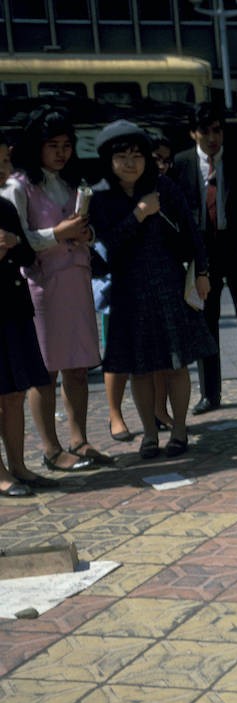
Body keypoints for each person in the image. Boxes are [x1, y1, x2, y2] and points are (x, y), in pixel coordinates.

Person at [89, 120, 217, 460]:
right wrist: (139, 215)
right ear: (108, 160)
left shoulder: (164, 187)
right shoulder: (101, 198)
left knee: (177, 365)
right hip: (128, 293)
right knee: (139, 368)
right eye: (122, 157)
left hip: (168, 286)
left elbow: (192, 232)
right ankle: (149, 433)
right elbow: (103, 250)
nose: (131, 163)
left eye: (137, 155)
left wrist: (202, 271)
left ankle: (179, 429)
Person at [2, 107, 102, 473]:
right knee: (45, 370)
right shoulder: (19, 185)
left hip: (76, 280)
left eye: (67, 145)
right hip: (41, 285)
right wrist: (57, 234)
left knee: (78, 366)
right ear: (35, 147)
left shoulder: (72, 181)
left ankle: (79, 439)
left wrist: (87, 234)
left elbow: (86, 228)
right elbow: (18, 239)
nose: (62, 153)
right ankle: (50, 447)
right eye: (53, 145)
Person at [172, 102, 237, 415]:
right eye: (205, 131)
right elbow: (174, 208)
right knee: (206, 321)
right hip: (202, 252)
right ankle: (210, 393)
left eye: (217, 130)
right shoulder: (183, 163)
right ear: (193, 133)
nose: (213, 138)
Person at [0, 132, 56, 495]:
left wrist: (16, 245)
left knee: (15, 392)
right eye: (1, 161)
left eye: (6, 160)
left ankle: (18, 464)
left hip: (12, 307)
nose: (6, 169)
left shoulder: (4, 207)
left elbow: (26, 257)